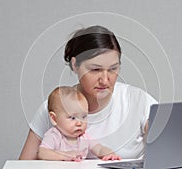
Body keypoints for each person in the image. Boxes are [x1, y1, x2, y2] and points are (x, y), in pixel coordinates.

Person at [19, 25, 157, 160]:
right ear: (75, 65)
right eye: (95, 70)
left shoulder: (139, 101)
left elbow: (168, 146)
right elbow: (23, 165)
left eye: (113, 69)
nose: (104, 80)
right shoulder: (54, 106)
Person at [38, 86, 121, 161]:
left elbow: (99, 149)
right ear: (54, 119)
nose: (79, 123)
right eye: (73, 118)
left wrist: (109, 154)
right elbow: (42, 153)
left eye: (84, 117)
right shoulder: (54, 135)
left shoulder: (84, 137)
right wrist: (63, 156)